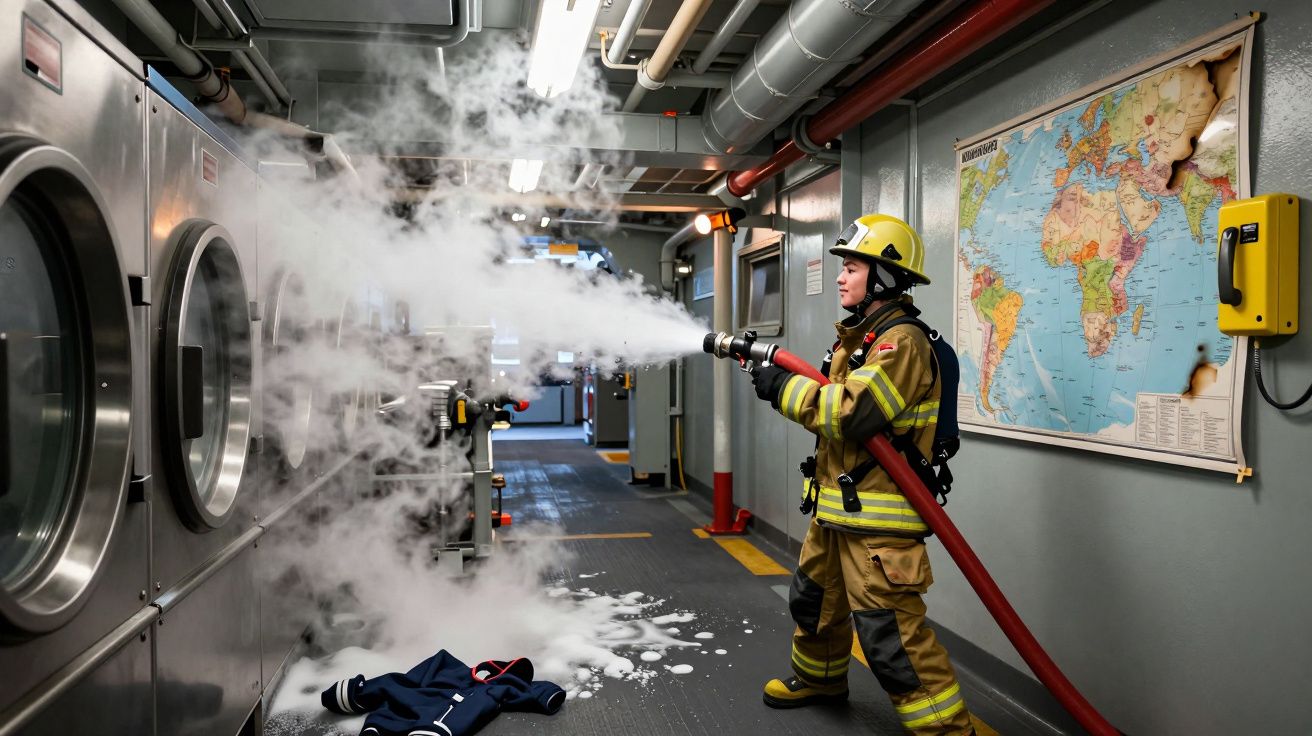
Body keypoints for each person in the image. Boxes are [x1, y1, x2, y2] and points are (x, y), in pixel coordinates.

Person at [750, 214, 974, 735]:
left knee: (889, 638)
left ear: (887, 277)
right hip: (837, 513)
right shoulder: (861, 338)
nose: (841, 277)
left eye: (851, 267)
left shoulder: (902, 343)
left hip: (879, 522)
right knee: (815, 603)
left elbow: (851, 413)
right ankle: (822, 680)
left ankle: (946, 731)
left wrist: (782, 387)